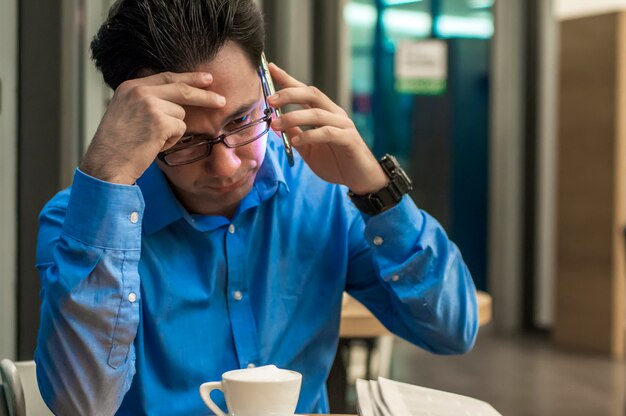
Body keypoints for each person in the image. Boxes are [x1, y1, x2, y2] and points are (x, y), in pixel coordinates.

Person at [34, 0, 479, 414]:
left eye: (242, 120)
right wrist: (106, 175)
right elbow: (82, 405)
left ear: (267, 79)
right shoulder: (81, 223)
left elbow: (451, 330)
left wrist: (377, 191)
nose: (226, 165)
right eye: (187, 141)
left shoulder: (323, 197)